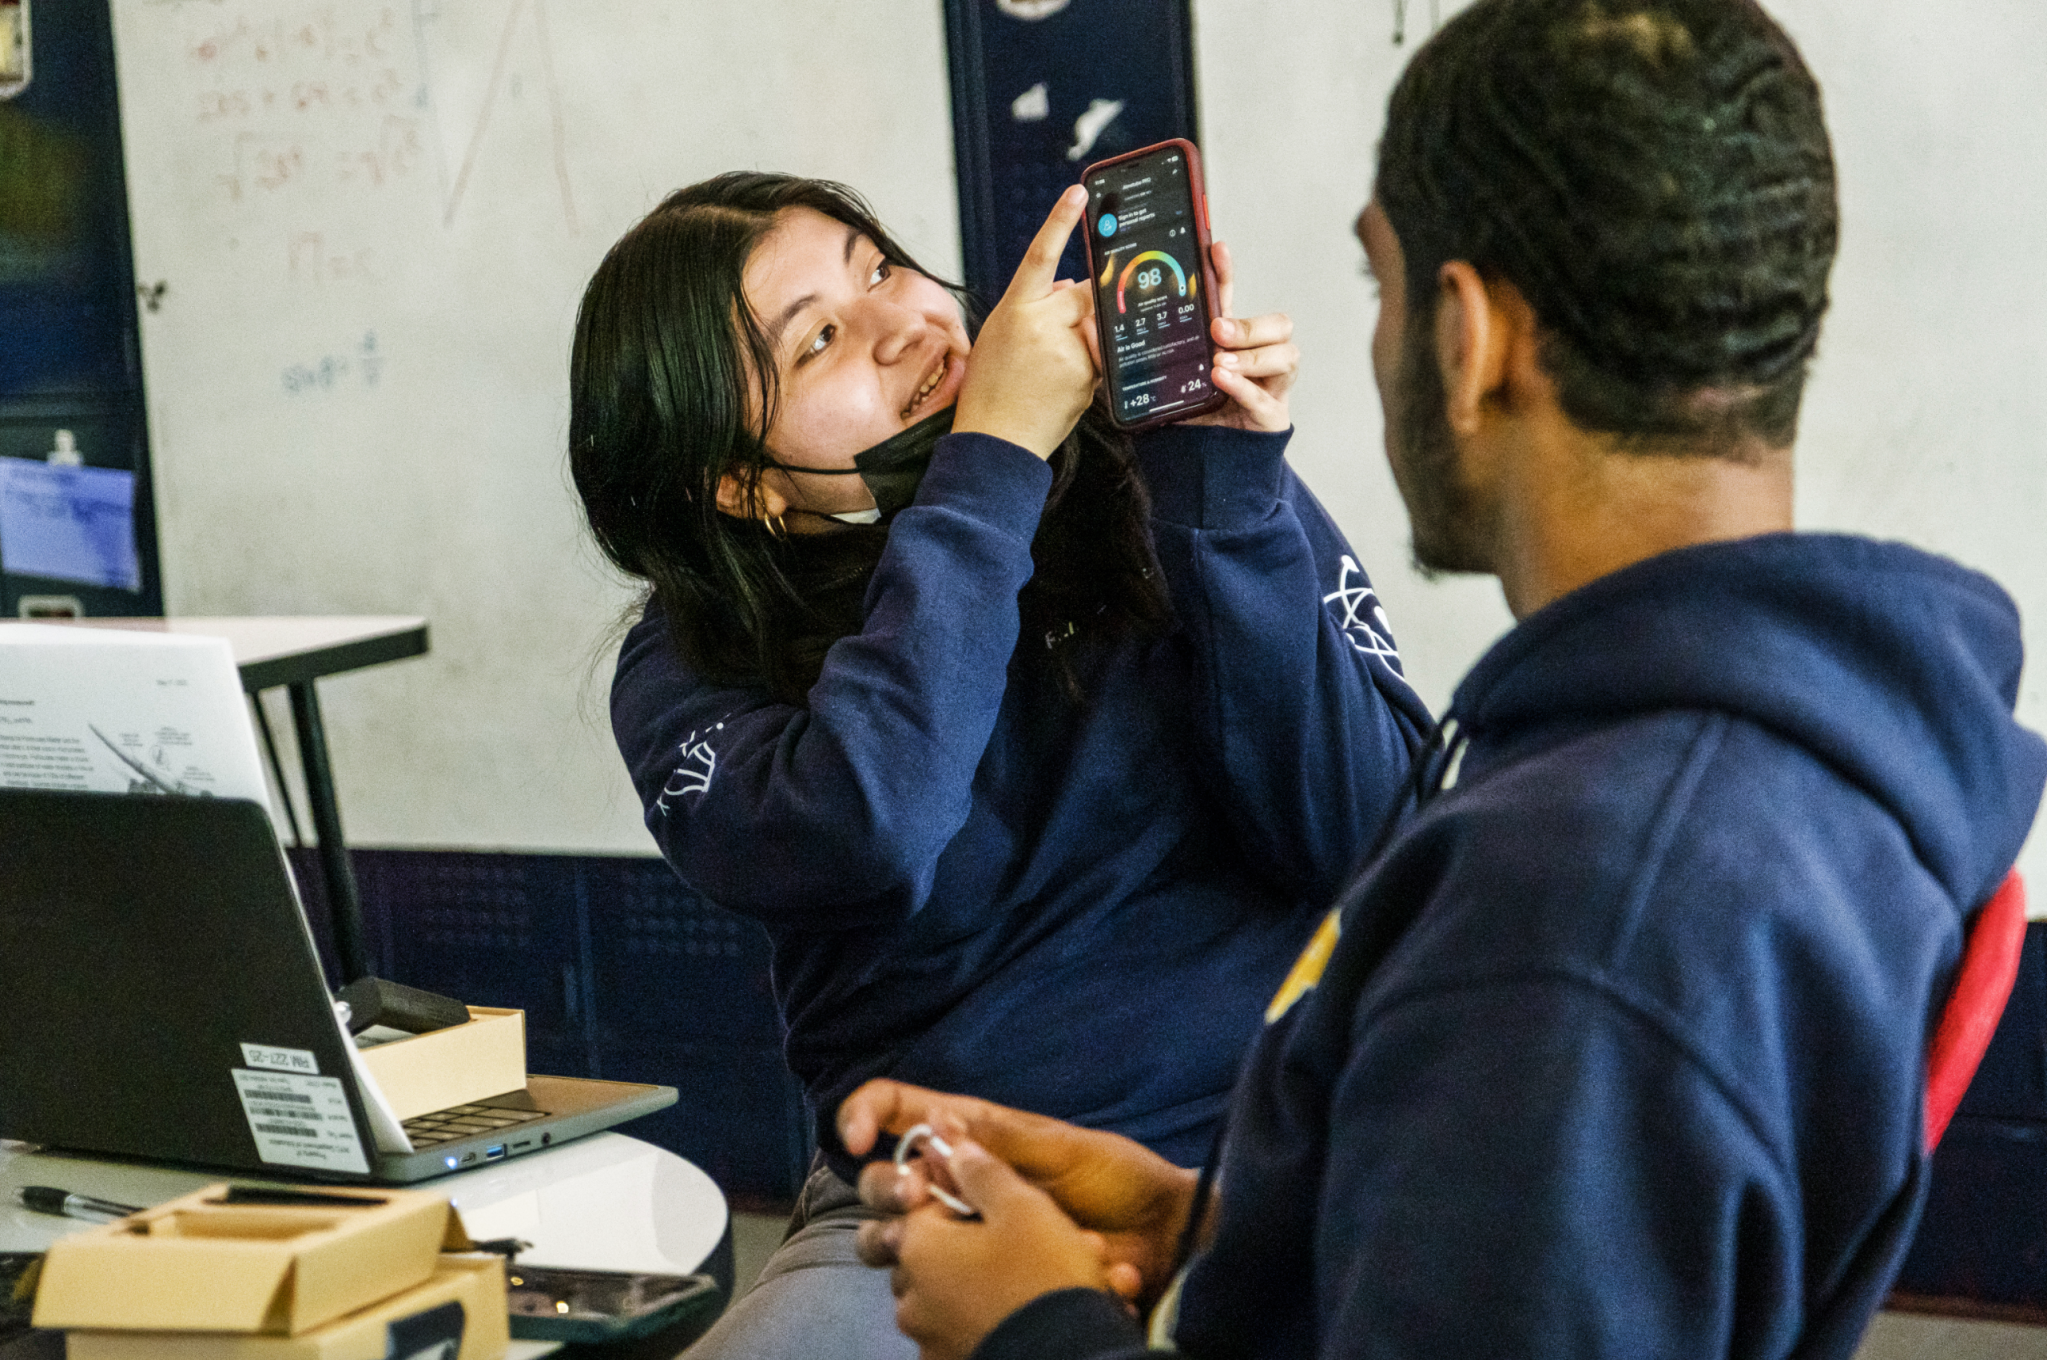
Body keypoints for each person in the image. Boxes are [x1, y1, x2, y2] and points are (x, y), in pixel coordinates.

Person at [838, 1, 2047, 1357]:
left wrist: (1037, 1326)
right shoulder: (1773, 759)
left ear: (1465, 336)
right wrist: (1215, 1226)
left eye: (1381, 286)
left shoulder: (1578, 917)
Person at [567, 173, 1429, 1356]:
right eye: (820, 339)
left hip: (1275, 1145)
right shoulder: (691, 661)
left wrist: (1226, 499)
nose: (902, 323)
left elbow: (1372, 844)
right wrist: (993, 465)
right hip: (948, 1190)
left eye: (881, 268)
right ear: (741, 485)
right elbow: (867, 826)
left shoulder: (1160, 469)